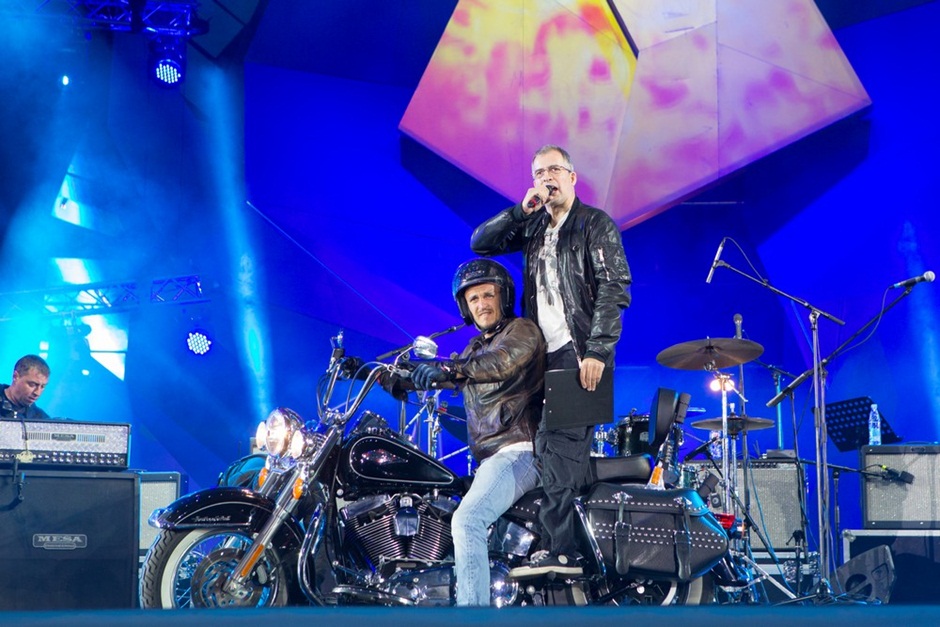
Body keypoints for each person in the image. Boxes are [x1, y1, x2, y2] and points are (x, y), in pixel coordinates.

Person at [470, 145, 632, 578]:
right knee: (546, 450)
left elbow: (614, 288)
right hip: (542, 358)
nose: (547, 178)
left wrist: (597, 350)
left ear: (572, 177)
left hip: (580, 354)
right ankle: (566, 547)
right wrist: (519, 212)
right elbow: (481, 243)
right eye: (539, 172)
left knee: (558, 446)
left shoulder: (595, 224)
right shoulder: (534, 227)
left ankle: (562, 551)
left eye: (555, 170)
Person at [410, 258, 546, 606]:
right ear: (465, 308)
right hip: (491, 458)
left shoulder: (522, 331)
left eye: (488, 295)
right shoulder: (474, 348)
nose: (482, 304)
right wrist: (386, 376)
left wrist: (448, 369)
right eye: (474, 299)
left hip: (519, 450)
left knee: (468, 520)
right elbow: (452, 372)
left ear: (504, 297)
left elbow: (500, 362)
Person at [1, 354, 52, 421]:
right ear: (15, 376)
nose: (37, 393)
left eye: (43, 386)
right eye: (32, 384)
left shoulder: (41, 420)